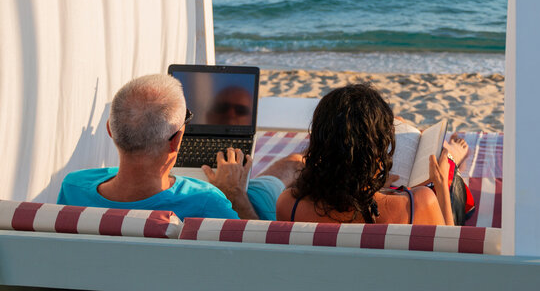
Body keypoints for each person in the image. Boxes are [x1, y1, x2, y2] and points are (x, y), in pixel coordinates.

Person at [58, 74, 298, 220]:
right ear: (176, 140)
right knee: (286, 170)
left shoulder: (73, 187)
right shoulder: (207, 201)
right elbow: (256, 255)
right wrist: (232, 193)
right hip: (238, 198)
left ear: (111, 129)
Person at [276, 83, 468, 225]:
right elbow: (449, 255)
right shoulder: (418, 203)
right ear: (376, 152)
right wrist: (441, 186)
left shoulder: (289, 205)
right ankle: (453, 156)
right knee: (449, 175)